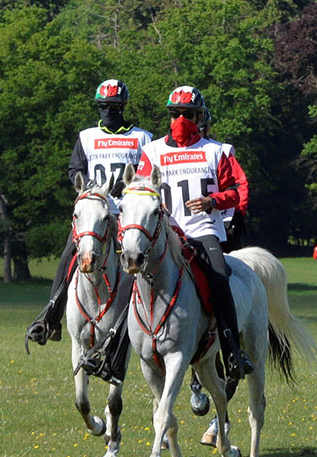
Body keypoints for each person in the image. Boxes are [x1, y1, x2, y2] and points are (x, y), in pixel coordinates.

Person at [81, 85, 254, 385]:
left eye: (188, 114)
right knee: (131, 285)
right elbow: (140, 189)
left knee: (218, 277)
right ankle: (114, 359)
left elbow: (236, 191)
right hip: (166, 233)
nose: (181, 120)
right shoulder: (152, 151)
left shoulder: (215, 151)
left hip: (202, 231)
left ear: (199, 117)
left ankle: (232, 352)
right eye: (175, 114)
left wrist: (212, 201)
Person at [23, 79, 154, 348]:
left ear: (123, 107)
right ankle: (51, 319)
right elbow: (74, 170)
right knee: (68, 257)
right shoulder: (86, 137)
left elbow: (148, 171)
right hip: (94, 215)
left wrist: (128, 184)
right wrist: (90, 186)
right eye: (104, 106)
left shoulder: (143, 138)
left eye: (114, 106)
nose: (109, 110)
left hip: (128, 216)